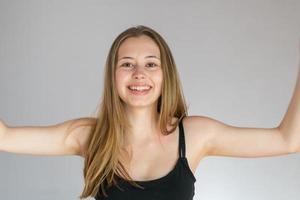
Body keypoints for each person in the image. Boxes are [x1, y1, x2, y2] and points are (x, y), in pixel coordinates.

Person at [0, 25, 299, 200]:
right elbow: (6, 138)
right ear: (113, 75)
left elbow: (288, 140)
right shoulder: (90, 136)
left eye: (151, 64)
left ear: (165, 74)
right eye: (127, 64)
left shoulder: (195, 135)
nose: (139, 73)